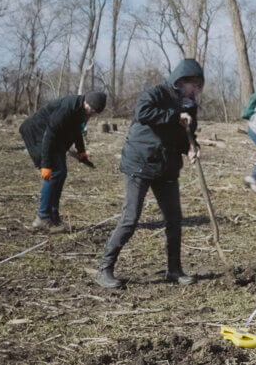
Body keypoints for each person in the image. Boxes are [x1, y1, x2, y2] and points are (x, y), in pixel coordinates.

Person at [96, 59, 204, 288]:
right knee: (131, 218)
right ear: (180, 81)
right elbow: (143, 113)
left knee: (174, 219)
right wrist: (175, 115)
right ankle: (105, 269)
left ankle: (174, 270)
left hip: (167, 166)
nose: (195, 90)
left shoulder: (190, 106)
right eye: (193, 84)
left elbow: (184, 137)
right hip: (140, 161)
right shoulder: (156, 94)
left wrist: (192, 149)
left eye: (198, 85)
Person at [20, 91, 106, 230]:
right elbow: (49, 136)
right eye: (91, 109)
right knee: (55, 173)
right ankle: (43, 217)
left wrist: (81, 151)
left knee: (61, 173)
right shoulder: (67, 108)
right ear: (87, 102)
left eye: (95, 112)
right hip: (37, 133)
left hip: (54, 137)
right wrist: (46, 165)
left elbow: (77, 130)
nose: (91, 113)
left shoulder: (82, 110)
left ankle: (53, 216)